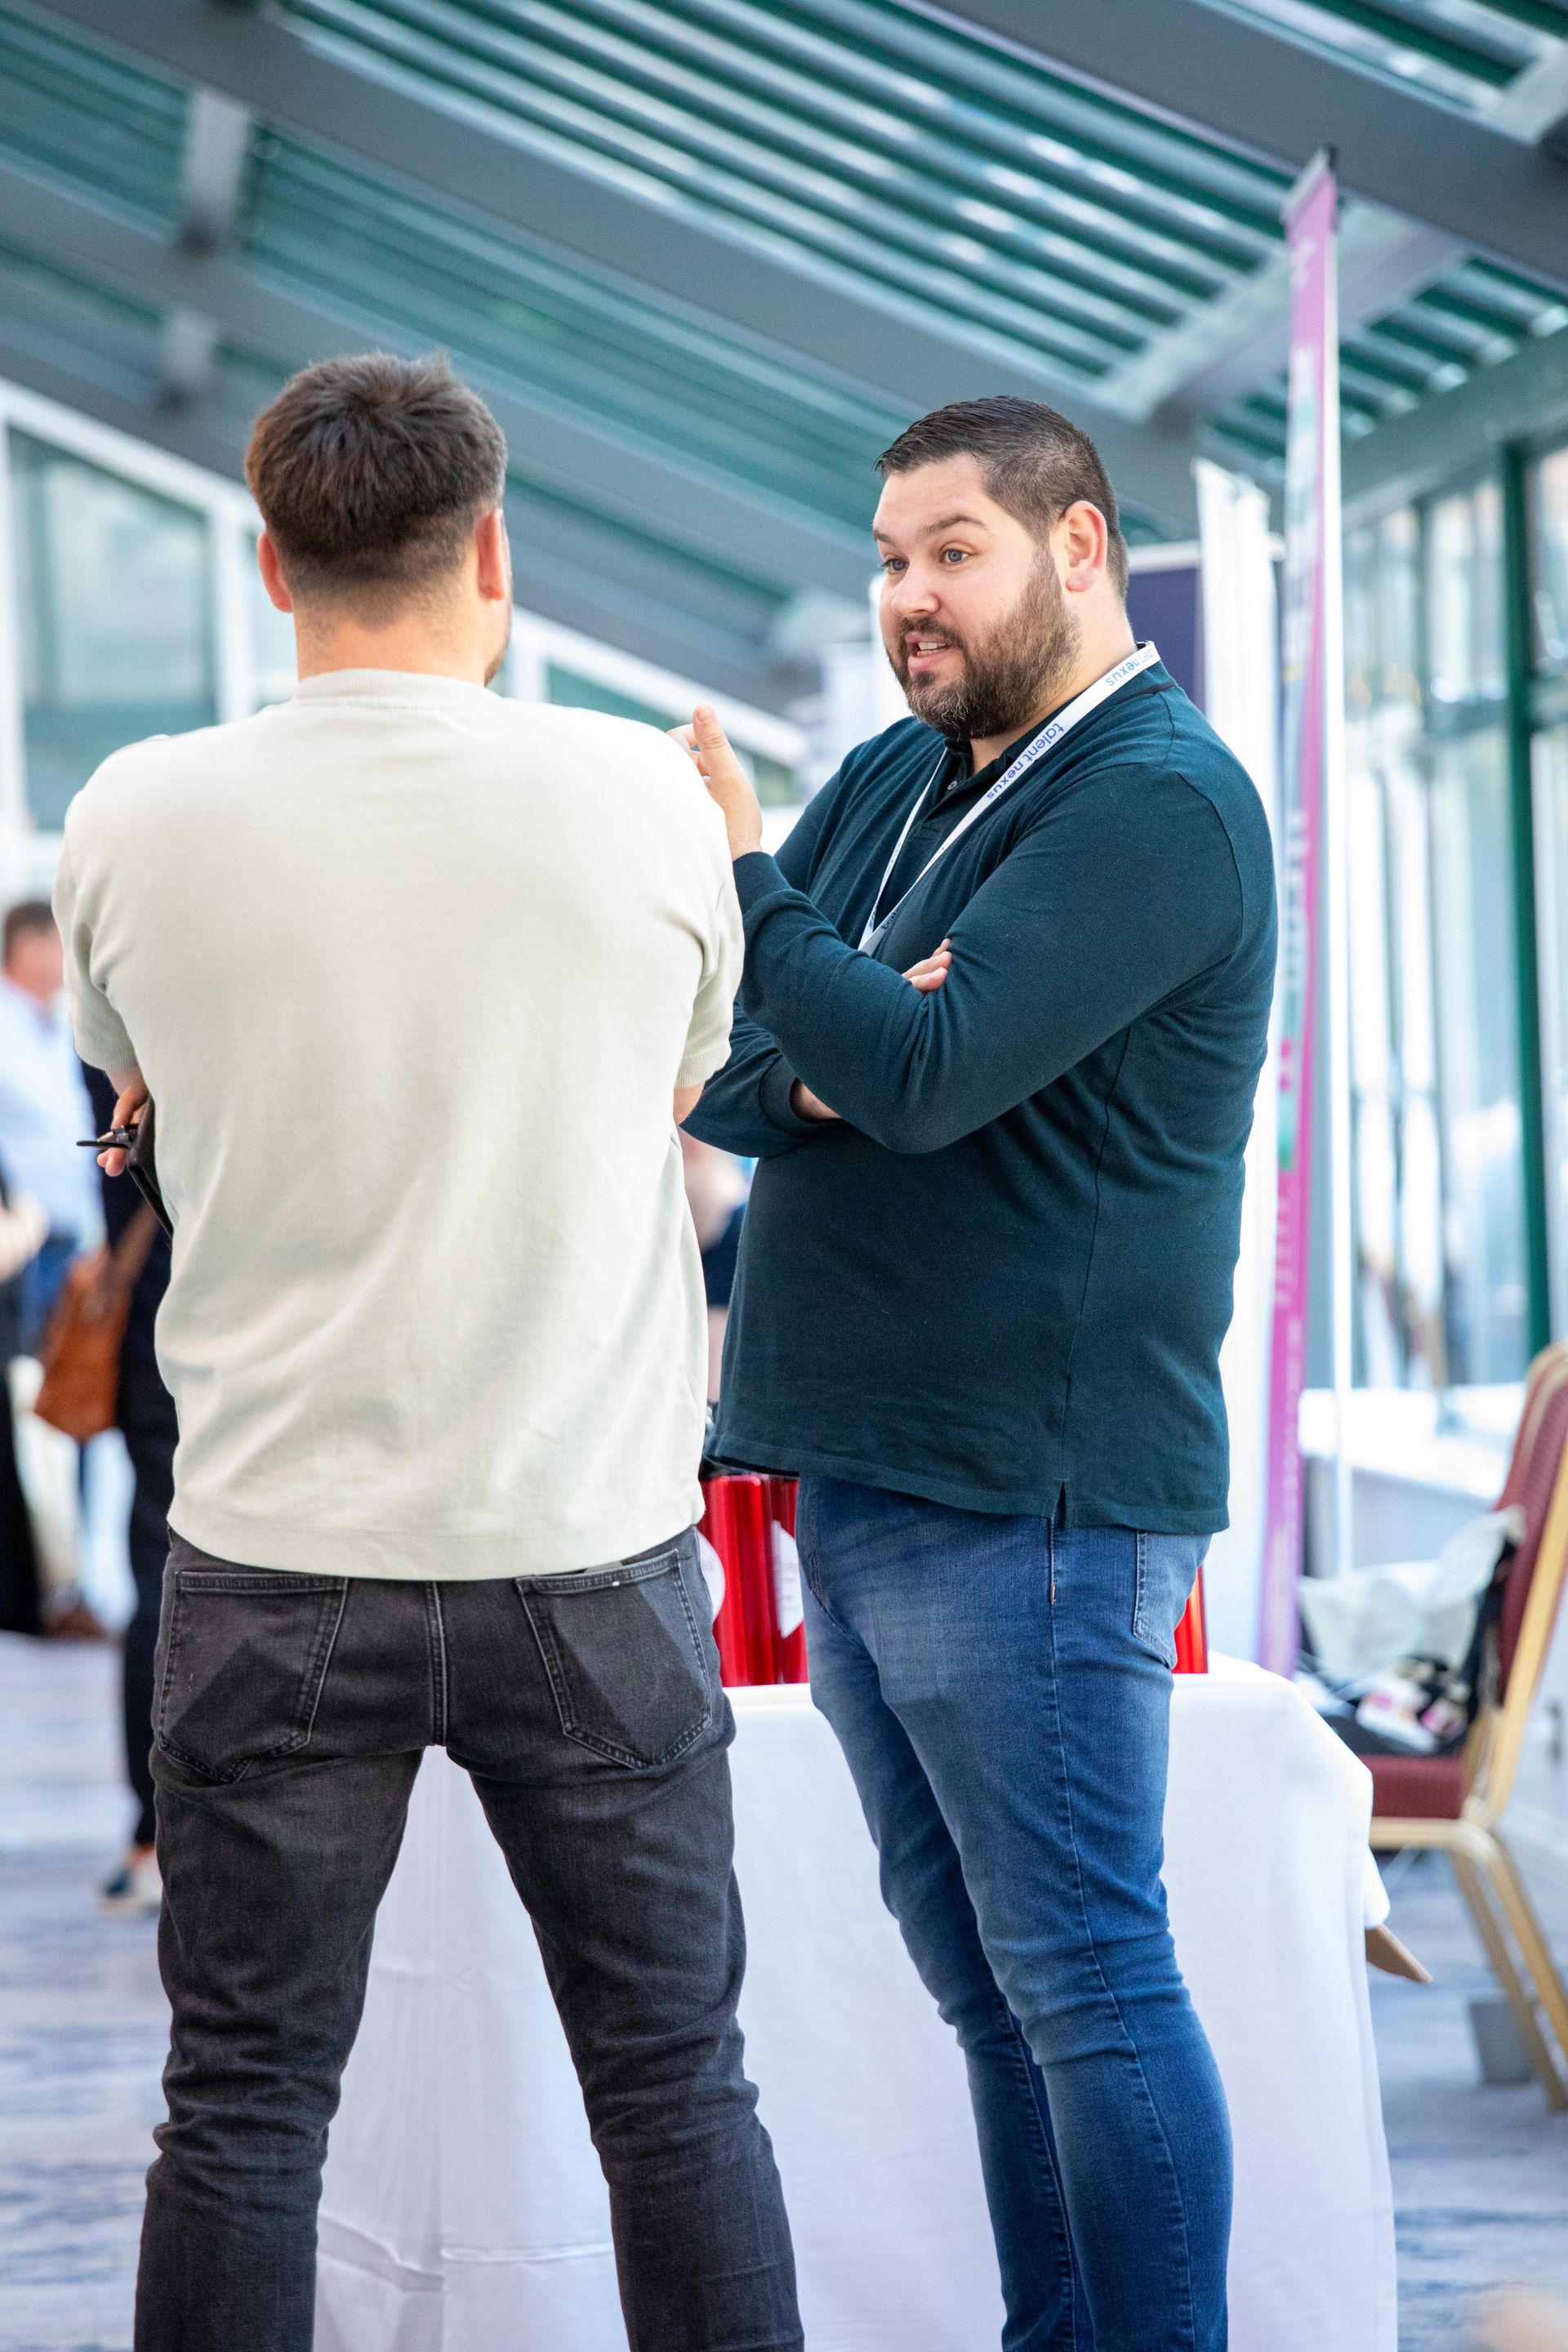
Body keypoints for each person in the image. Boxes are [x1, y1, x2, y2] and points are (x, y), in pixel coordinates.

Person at [56, 352, 800, 2352]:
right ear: (490, 545)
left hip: (277, 1547)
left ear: (272, 559)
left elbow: (126, 1092)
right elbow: (703, 1074)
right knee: (673, 2092)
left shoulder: (132, 811)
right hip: (589, 1542)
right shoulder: (642, 794)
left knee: (241, 2112)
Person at [682, 396, 1276, 2352]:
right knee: (989, 1990)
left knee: (1086, 1978)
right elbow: (751, 1079)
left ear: (1078, 547)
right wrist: (846, 1023)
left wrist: (767, 897)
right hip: (863, 1474)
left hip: (1026, 1485)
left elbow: (918, 1074)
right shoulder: (901, 770)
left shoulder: (1155, 802)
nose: (908, 595)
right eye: (887, 557)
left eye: (954, 549)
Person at [84, 1062, 174, 1915]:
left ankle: (153, 1832)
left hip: (154, 1326)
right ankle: (166, 1828)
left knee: (158, 1570)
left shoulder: (116, 1014)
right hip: (254, 1325)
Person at [0, 901, 101, 1350]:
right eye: (61, 943)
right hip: (18, 1242)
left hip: (68, 1235)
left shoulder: (60, 1029)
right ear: (29, 947)